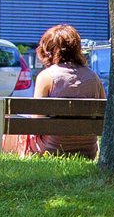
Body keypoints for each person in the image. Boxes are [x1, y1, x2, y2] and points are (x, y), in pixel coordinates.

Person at [26, 24, 105, 156]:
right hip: (88, 150)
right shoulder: (94, 77)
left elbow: (37, 122)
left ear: (47, 50)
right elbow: (103, 114)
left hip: (51, 150)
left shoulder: (46, 77)